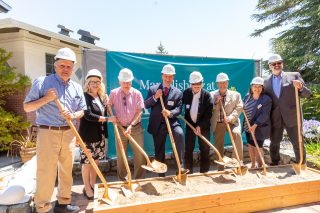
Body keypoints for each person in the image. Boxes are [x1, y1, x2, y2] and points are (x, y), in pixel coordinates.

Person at [23, 47, 86, 213]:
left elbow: (82, 110)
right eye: (62, 66)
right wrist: (46, 99)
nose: (65, 69)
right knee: (46, 171)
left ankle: (63, 204)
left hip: (69, 133)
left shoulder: (77, 87)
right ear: (55, 65)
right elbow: (27, 107)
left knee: (66, 171)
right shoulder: (42, 82)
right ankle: (42, 207)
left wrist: (72, 115)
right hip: (47, 132)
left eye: (69, 66)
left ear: (73, 68)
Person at [264, 54, 311, 166]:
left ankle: (302, 164)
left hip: (293, 116)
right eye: (273, 64)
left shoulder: (294, 76)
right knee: (274, 143)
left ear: (282, 64)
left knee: (297, 142)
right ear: (270, 66)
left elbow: (307, 94)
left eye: (279, 63)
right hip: (275, 117)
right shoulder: (266, 82)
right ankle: (275, 163)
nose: (276, 65)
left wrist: (301, 87)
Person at [78, 69, 114, 200]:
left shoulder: (100, 97)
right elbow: (88, 115)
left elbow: (104, 112)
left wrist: (107, 104)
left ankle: (93, 184)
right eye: (92, 81)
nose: (95, 84)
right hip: (88, 136)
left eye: (97, 82)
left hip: (100, 135)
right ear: (87, 83)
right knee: (87, 163)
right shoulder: (84, 96)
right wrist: (107, 119)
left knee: (96, 162)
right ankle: (87, 188)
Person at [144, 64, 185, 177]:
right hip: (157, 124)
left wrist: (170, 113)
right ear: (162, 76)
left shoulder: (178, 93)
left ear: (173, 77)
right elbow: (145, 104)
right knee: (159, 148)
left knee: (179, 134)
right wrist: (155, 97)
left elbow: (179, 109)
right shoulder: (153, 89)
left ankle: (180, 167)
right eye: (166, 76)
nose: (168, 79)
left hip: (171, 122)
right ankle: (161, 173)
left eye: (170, 76)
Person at [108, 68, 146, 181]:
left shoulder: (137, 93)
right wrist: (112, 115)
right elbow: (109, 106)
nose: (126, 84)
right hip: (119, 128)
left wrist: (131, 126)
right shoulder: (114, 93)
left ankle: (138, 179)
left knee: (139, 154)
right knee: (121, 155)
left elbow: (139, 112)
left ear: (131, 81)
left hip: (135, 128)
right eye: (124, 82)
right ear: (119, 81)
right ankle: (123, 180)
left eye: (128, 82)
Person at [210, 73, 243, 169]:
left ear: (227, 83)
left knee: (237, 134)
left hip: (231, 122)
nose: (222, 85)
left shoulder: (236, 95)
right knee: (218, 145)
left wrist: (231, 117)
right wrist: (215, 103)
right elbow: (208, 109)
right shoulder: (212, 95)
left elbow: (239, 107)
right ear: (217, 84)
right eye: (220, 83)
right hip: (218, 123)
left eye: (224, 83)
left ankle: (237, 162)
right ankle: (220, 167)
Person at [182, 71, 213, 174]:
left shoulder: (207, 96)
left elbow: (208, 114)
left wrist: (200, 126)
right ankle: (188, 172)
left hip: (203, 127)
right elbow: (180, 105)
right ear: (190, 84)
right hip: (190, 126)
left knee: (204, 149)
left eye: (199, 84)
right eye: (194, 85)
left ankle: (204, 172)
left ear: (202, 83)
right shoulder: (186, 93)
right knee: (188, 149)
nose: (196, 87)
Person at [243, 77, 272, 168]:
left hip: (259, 127)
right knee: (251, 145)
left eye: (259, 86)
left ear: (262, 88)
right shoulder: (247, 97)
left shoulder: (266, 99)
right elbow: (244, 107)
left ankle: (260, 165)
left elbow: (264, 115)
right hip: (248, 126)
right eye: (255, 86)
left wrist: (255, 125)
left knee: (258, 146)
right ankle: (252, 164)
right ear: (251, 87)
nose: (257, 88)